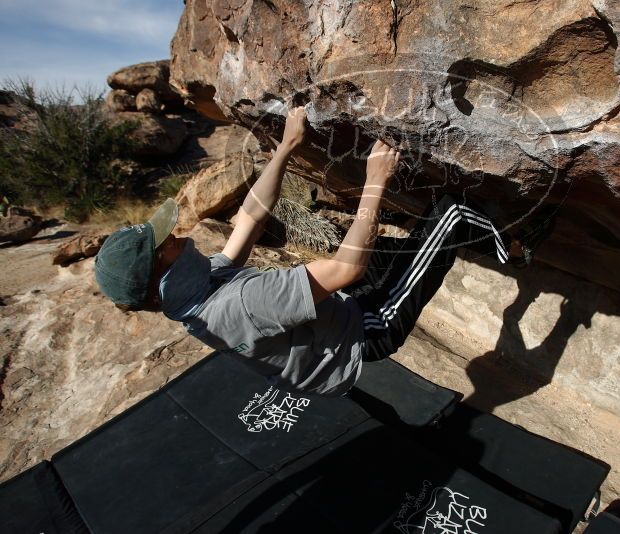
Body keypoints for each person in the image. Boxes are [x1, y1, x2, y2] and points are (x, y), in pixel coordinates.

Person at [95, 107, 512, 396]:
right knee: (452, 211)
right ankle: (517, 241)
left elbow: (251, 218)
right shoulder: (241, 304)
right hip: (366, 330)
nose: (180, 238)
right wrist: (375, 179)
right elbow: (346, 270)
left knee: (383, 249)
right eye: (168, 245)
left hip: (336, 313)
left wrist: (286, 146)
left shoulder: (196, 297)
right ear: (161, 278)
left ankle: (449, 244)